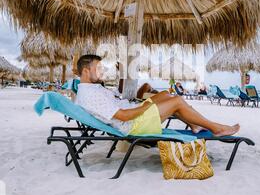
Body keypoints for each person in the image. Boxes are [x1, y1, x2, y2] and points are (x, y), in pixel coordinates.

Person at [75, 54, 240, 137]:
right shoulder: (90, 94)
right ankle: (216, 128)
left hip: (133, 112)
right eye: (98, 68)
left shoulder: (91, 89)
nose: (102, 71)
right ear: (85, 71)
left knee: (165, 94)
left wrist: (143, 105)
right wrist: (147, 106)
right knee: (176, 101)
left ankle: (194, 125)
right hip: (132, 125)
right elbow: (123, 116)